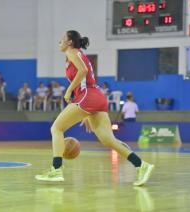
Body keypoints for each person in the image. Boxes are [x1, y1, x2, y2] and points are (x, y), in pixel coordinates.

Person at [35, 30, 154, 186]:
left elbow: (83, 71)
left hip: (88, 96)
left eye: (61, 39)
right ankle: (141, 165)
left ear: (69, 42)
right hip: (95, 97)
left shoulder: (72, 52)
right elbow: (84, 74)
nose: (59, 42)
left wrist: (69, 89)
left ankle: (56, 169)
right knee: (108, 139)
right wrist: (85, 113)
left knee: (56, 128)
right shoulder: (76, 53)